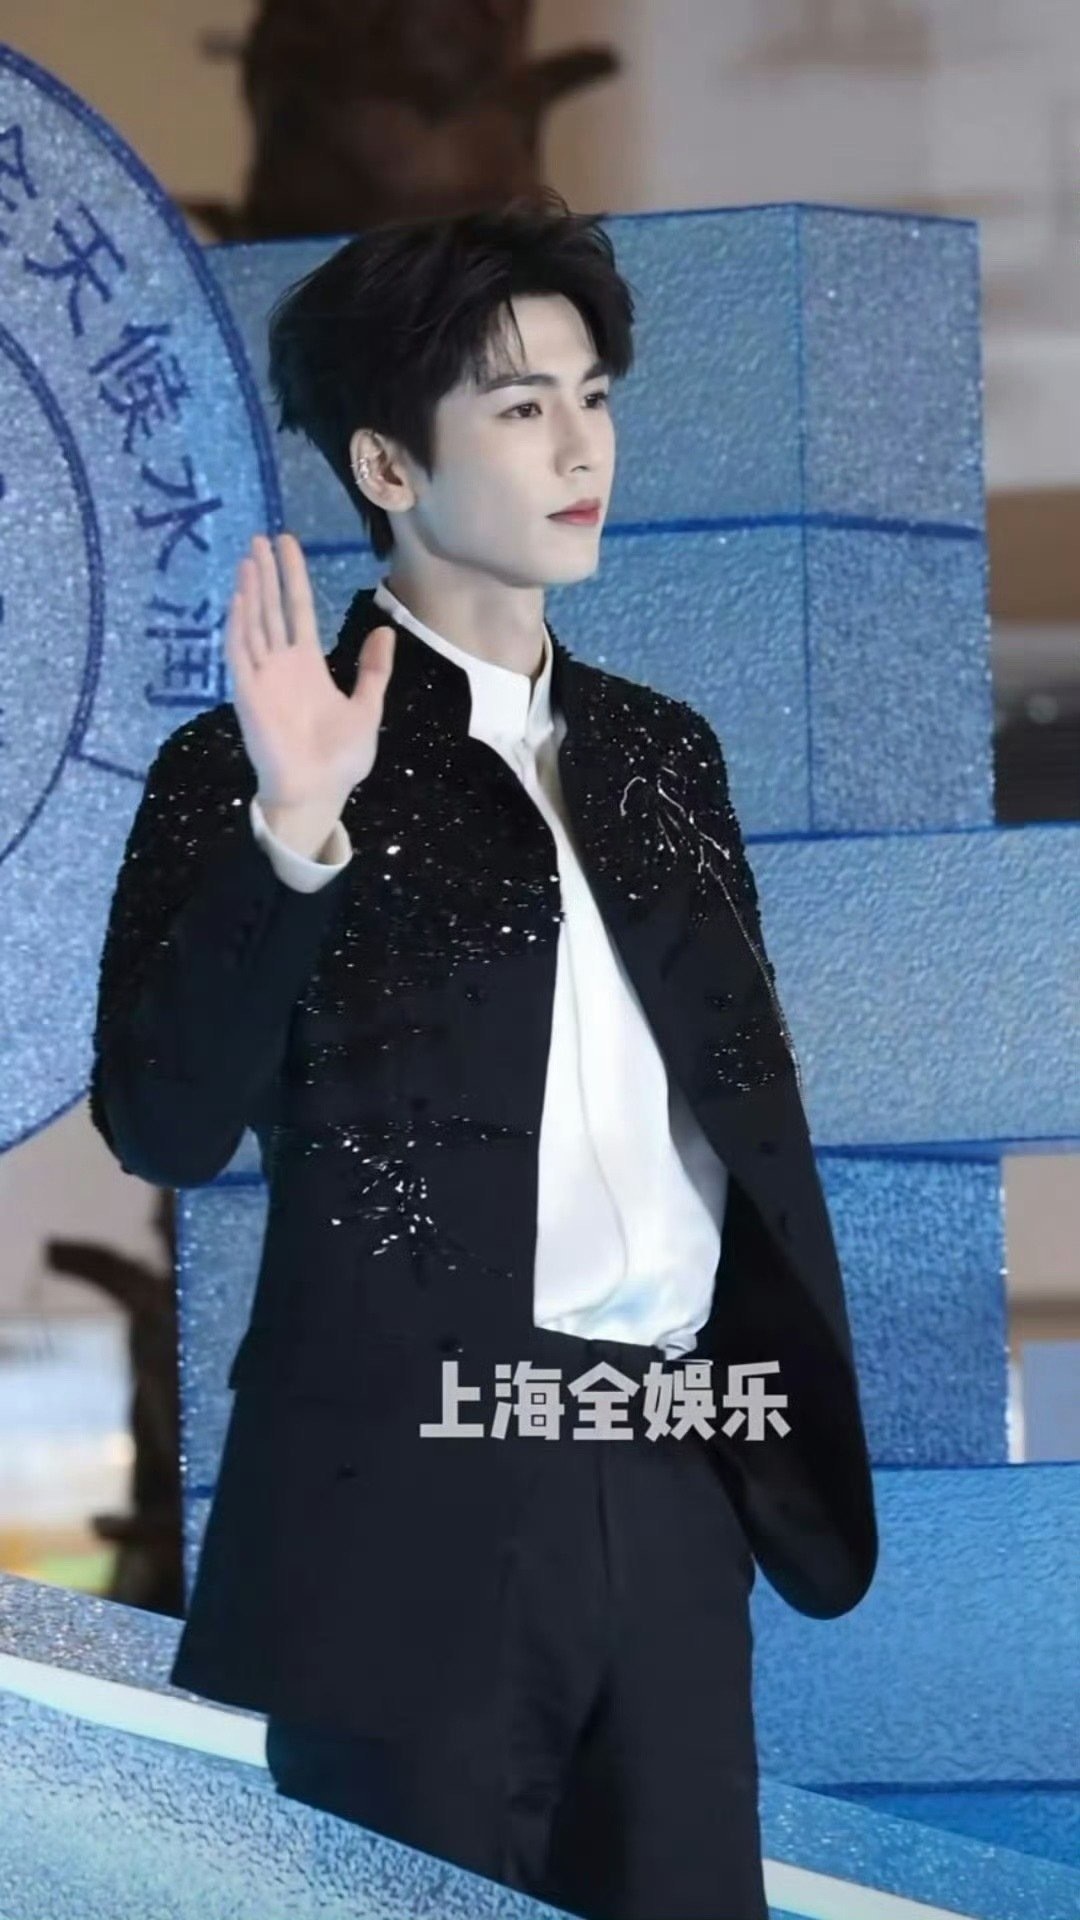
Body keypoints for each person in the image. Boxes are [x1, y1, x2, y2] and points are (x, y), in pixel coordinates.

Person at [90, 188, 877, 1920]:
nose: (581, 447)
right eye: (521, 408)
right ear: (388, 463)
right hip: (407, 1499)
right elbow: (161, 1120)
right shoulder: (249, 766)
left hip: (669, 1463)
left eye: (592, 396)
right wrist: (296, 831)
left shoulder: (665, 755)